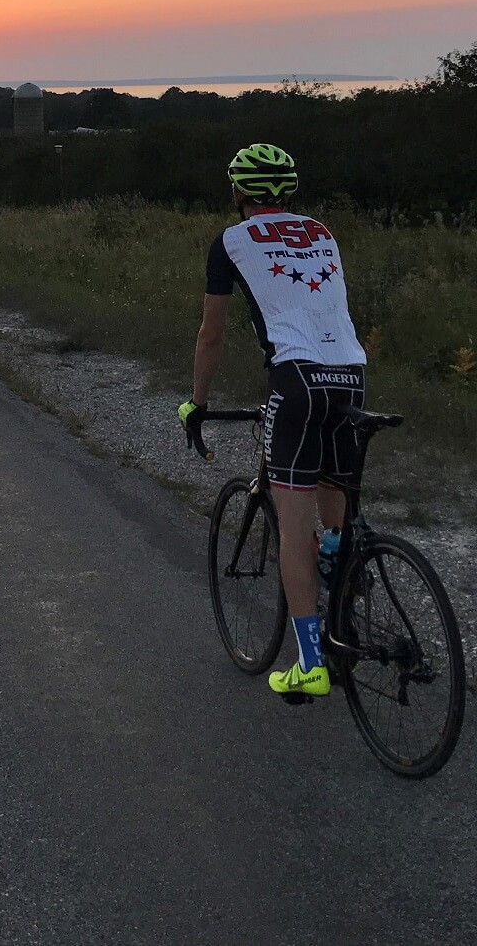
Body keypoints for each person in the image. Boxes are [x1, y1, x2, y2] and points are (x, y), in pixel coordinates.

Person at [178, 144, 367, 699]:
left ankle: (310, 664)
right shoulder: (323, 233)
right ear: (288, 190)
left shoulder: (231, 241)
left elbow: (210, 335)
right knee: (333, 510)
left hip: (297, 379)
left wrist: (198, 402)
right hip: (351, 374)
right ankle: (341, 570)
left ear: (238, 191)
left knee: (291, 524)